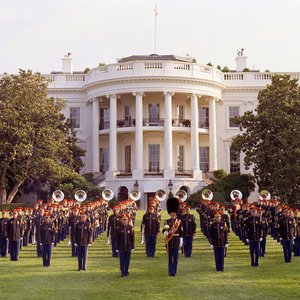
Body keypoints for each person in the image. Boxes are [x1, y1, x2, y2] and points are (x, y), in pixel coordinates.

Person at [162, 197, 183, 277]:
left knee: (176, 257)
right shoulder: (166, 221)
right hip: (170, 240)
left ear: (176, 213)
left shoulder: (179, 222)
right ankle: (170, 271)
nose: (173, 214)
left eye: (174, 212)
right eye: (171, 212)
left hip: (176, 240)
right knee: (170, 257)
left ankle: (174, 271)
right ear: (170, 213)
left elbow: (181, 232)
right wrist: (165, 233)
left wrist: (181, 240)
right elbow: (163, 230)